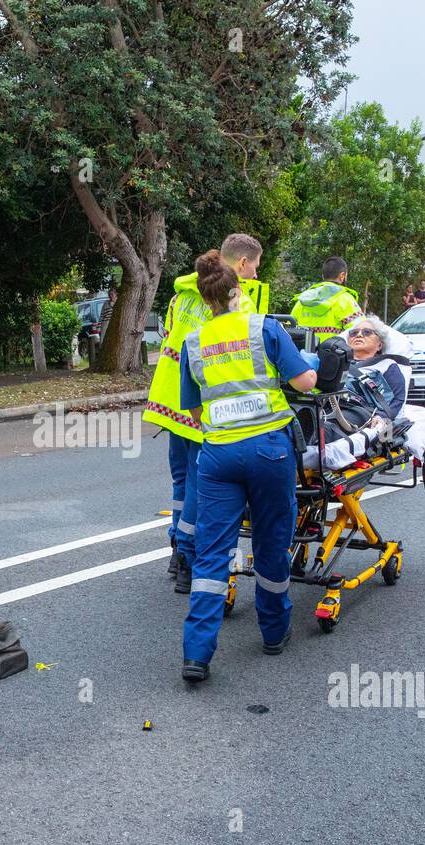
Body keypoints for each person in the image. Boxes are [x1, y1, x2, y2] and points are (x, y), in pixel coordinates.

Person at [177, 250, 318, 683]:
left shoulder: (194, 342)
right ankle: (274, 632)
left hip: (217, 456)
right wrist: (306, 363)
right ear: (237, 292)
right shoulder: (265, 328)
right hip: (268, 452)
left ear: (206, 299)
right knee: (271, 544)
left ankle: (197, 655)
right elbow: (305, 383)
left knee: (213, 554)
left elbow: (195, 411)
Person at [142, 234, 270, 595]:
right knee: (201, 486)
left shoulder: (183, 292)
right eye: (256, 265)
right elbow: (243, 348)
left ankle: (176, 550)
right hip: (203, 402)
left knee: (182, 483)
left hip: (170, 399)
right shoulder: (234, 297)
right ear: (242, 264)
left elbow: (168, 336)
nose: (257, 273)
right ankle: (187, 558)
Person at [343, 315, 409, 424]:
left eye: (367, 332)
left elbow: (398, 398)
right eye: (354, 333)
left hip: (360, 413)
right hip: (327, 409)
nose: (359, 335)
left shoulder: (386, 365)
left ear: (379, 345)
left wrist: (382, 417)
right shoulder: (337, 363)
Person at [290, 256, 362, 343]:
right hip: (334, 354)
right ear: (342, 276)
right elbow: (361, 329)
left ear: (323, 276)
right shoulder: (344, 299)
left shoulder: (303, 299)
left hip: (303, 354)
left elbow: (289, 328)